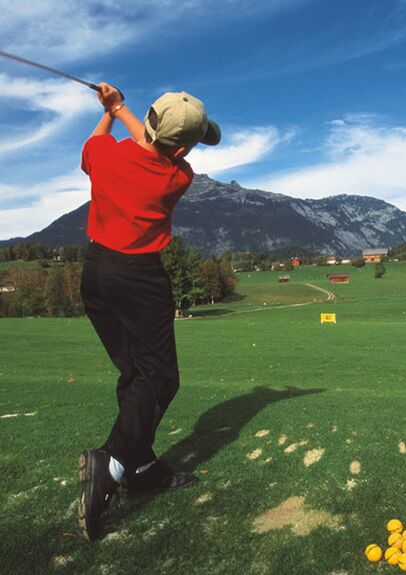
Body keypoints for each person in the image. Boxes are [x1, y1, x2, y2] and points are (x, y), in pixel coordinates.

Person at [77, 83, 221, 541]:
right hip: (139, 278)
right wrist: (119, 109)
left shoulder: (107, 156)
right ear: (182, 149)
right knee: (160, 378)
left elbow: (96, 147)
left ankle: (140, 466)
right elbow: (159, 148)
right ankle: (113, 461)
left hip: (96, 274)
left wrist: (111, 111)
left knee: (134, 372)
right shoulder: (179, 177)